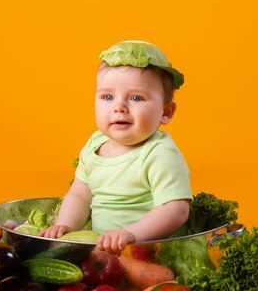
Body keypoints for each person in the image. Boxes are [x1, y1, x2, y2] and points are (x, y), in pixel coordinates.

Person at [40, 40, 192, 254]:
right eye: (108, 97)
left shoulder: (159, 153)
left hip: (151, 253)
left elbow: (175, 210)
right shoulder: (95, 144)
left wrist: (130, 234)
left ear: (166, 112)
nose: (119, 107)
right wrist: (65, 225)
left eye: (136, 98)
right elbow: (80, 195)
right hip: (104, 254)